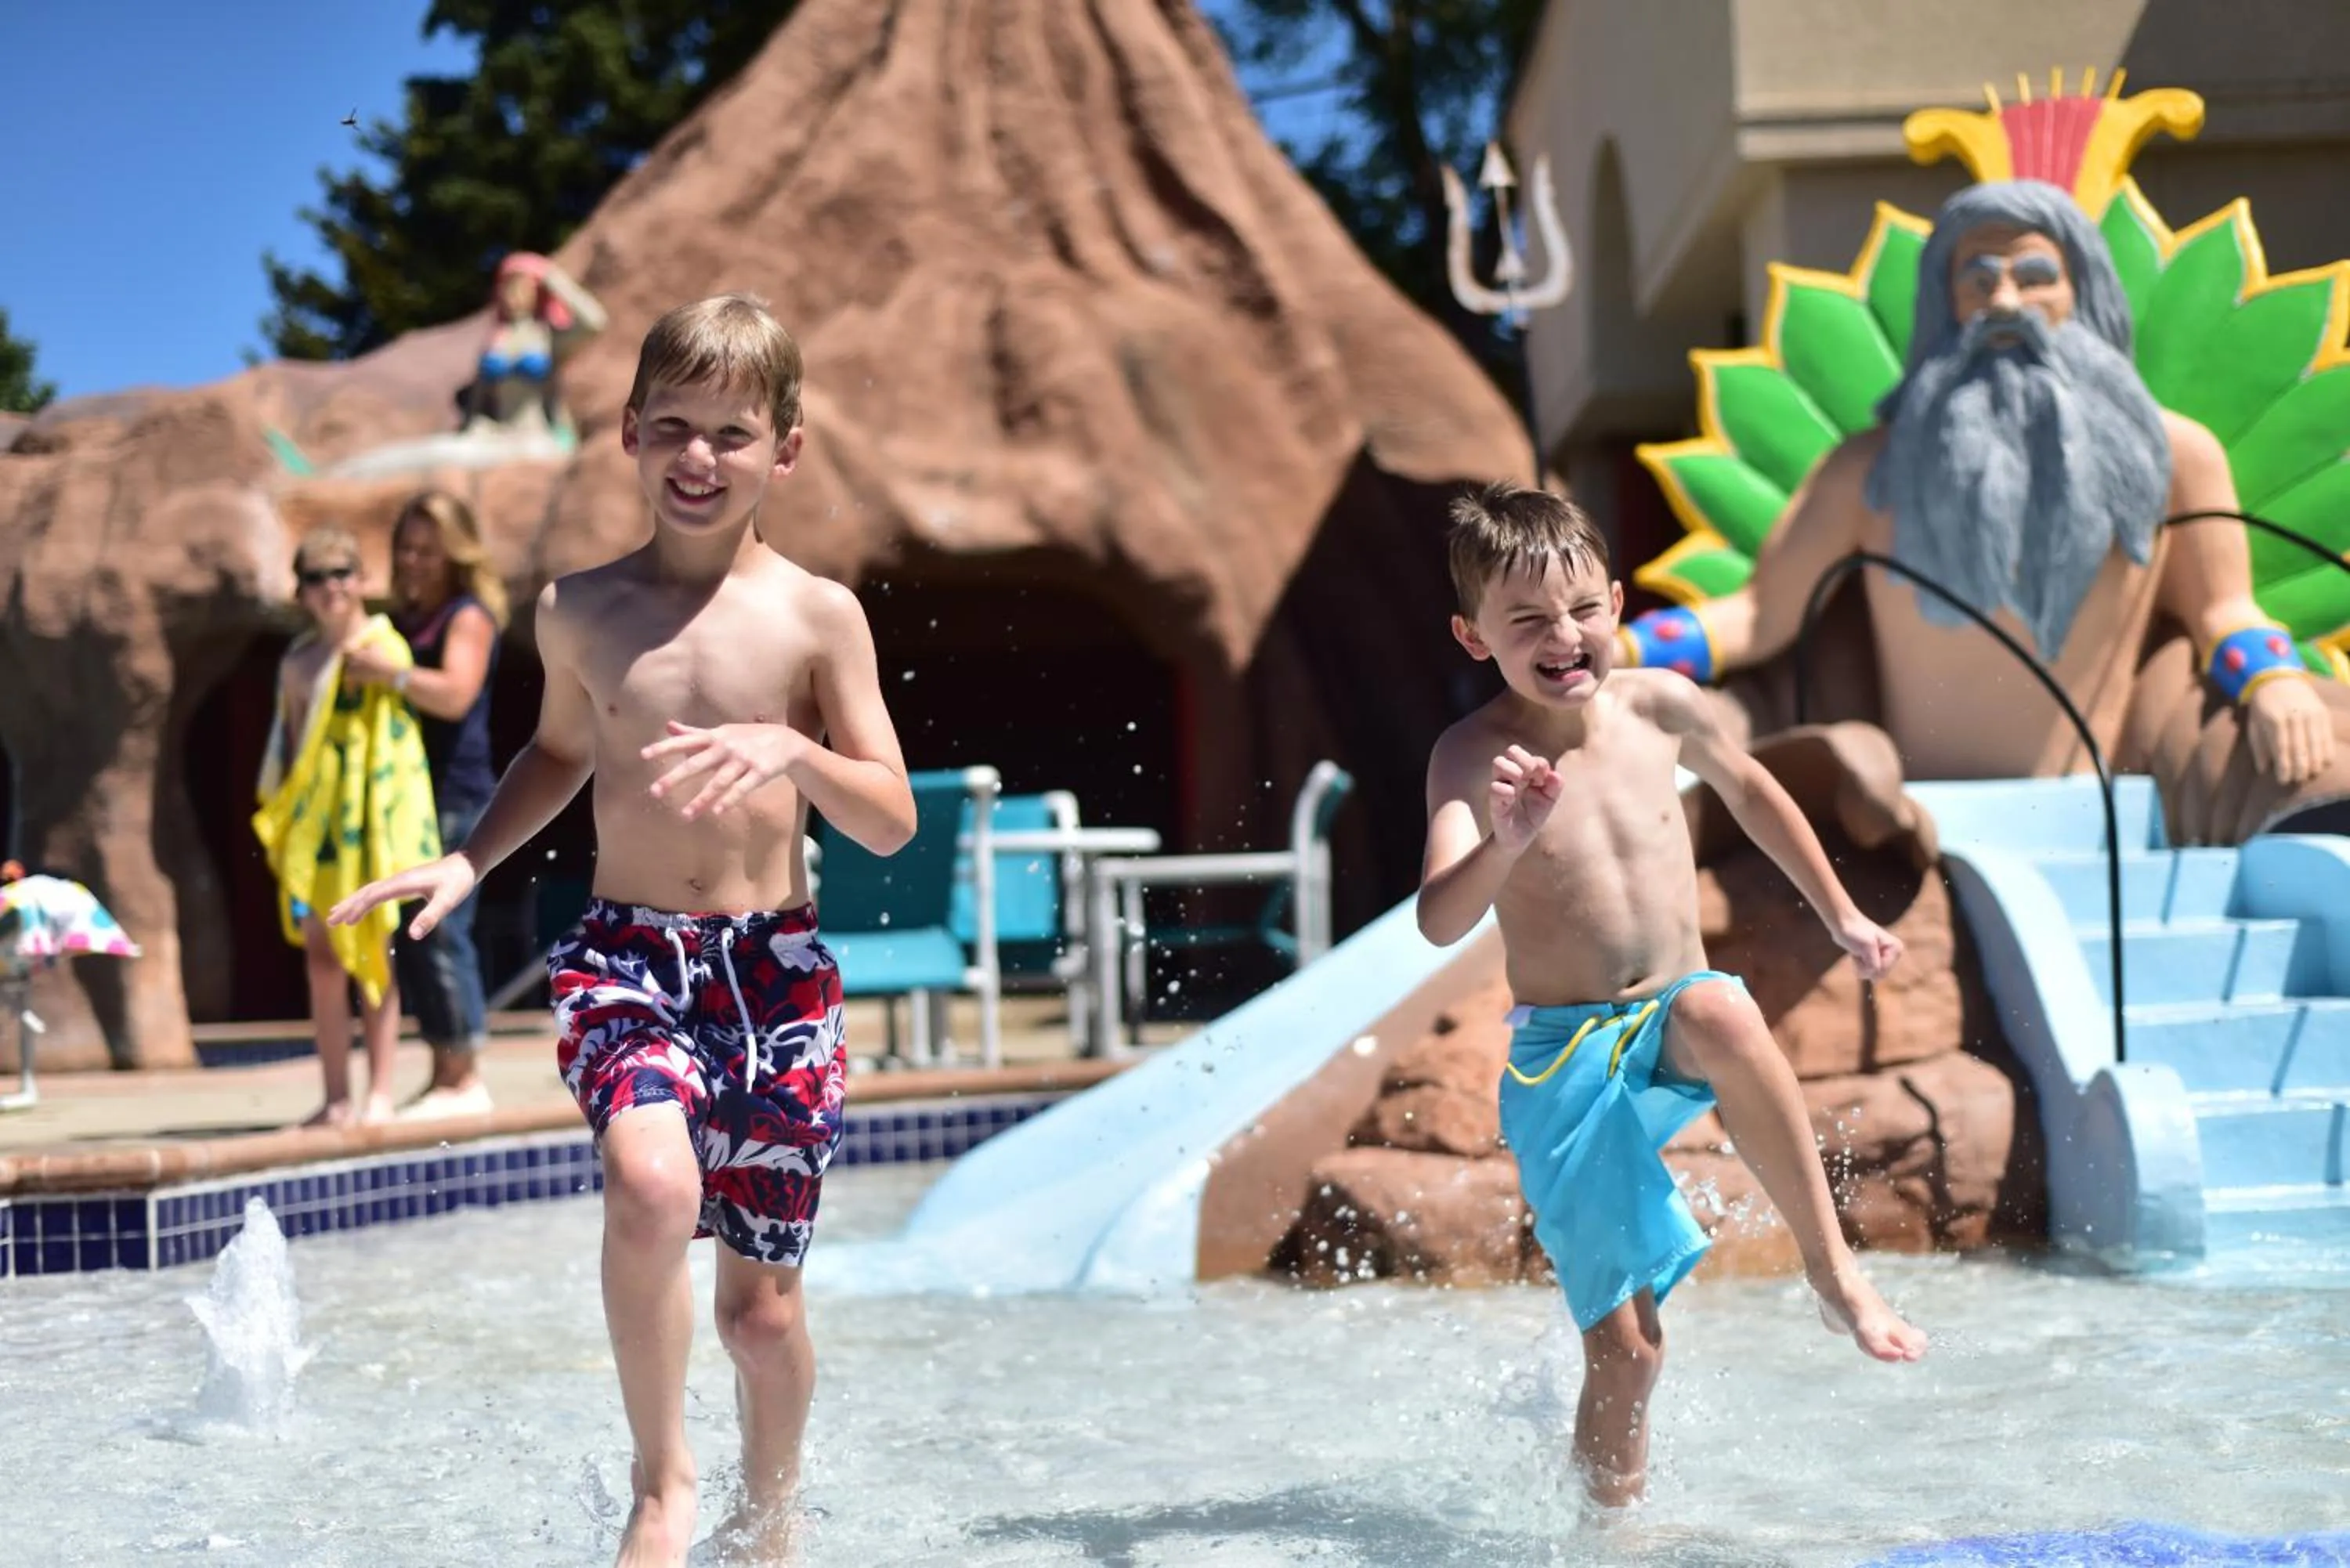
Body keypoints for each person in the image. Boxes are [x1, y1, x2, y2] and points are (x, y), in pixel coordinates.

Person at [329, 293, 914, 1567]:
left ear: (786, 452)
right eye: (675, 428)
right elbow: (555, 752)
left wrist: (794, 746)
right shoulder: (578, 609)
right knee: (650, 1182)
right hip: (630, 960)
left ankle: (775, 1519)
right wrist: (466, 860)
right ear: (630, 436)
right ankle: (663, 1484)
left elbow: (890, 821)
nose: (700, 458)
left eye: (732, 433)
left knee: (761, 1320)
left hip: (777, 982)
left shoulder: (820, 617)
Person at [1416, 481, 1929, 1510]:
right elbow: (1437, 916)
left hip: (1668, 1022)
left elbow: (1750, 788)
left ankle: (1833, 1274)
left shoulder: (1660, 704)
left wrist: (1837, 911)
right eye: (1527, 623)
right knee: (1633, 1351)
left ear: (1614, 600)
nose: (1563, 637)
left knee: (1719, 1007)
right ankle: (1611, 1529)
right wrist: (1505, 842)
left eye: (1582, 611)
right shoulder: (1473, 758)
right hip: (1563, 1063)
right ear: (1475, 638)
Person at [254, 528, 441, 1127]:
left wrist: (383, 672)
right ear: (301, 591)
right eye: (316, 576)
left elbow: (399, 737)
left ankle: (380, 1092)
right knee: (322, 961)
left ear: (362, 580)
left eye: (341, 573)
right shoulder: (298, 661)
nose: (330, 586)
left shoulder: (382, 645)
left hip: (371, 820)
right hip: (320, 826)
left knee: (375, 953)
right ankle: (336, 1096)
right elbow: (286, 747)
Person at [342, 490, 508, 1118]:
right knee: (413, 935)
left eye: (426, 550)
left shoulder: (468, 616)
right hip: (406, 795)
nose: (412, 561)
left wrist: (389, 675)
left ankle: (464, 1076)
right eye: (405, 548)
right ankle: (444, 1071)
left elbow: (456, 695)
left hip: (454, 795)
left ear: (455, 553)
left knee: (441, 931)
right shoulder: (405, 620)